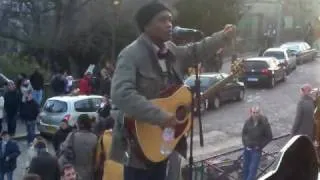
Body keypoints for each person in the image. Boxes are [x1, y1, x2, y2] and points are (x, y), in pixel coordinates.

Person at [110, 2, 235, 180]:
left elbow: (196, 51)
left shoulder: (172, 51)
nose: (169, 24)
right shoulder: (130, 55)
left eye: (170, 19)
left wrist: (222, 36)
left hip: (165, 143)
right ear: (146, 25)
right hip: (138, 146)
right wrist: (161, 116)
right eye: (162, 20)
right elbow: (121, 94)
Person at [59, 114, 97, 180]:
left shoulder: (72, 136)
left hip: (75, 173)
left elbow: (63, 149)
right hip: (90, 173)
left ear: (80, 124)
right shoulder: (95, 137)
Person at [242, 106, 273, 180]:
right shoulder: (248, 121)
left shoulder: (264, 123)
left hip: (256, 150)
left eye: (257, 113)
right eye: (254, 113)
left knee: (252, 170)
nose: (255, 114)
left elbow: (269, 136)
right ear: (251, 113)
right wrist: (245, 144)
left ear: (260, 113)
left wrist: (260, 146)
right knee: (245, 168)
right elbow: (244, 134)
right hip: (247, 149)